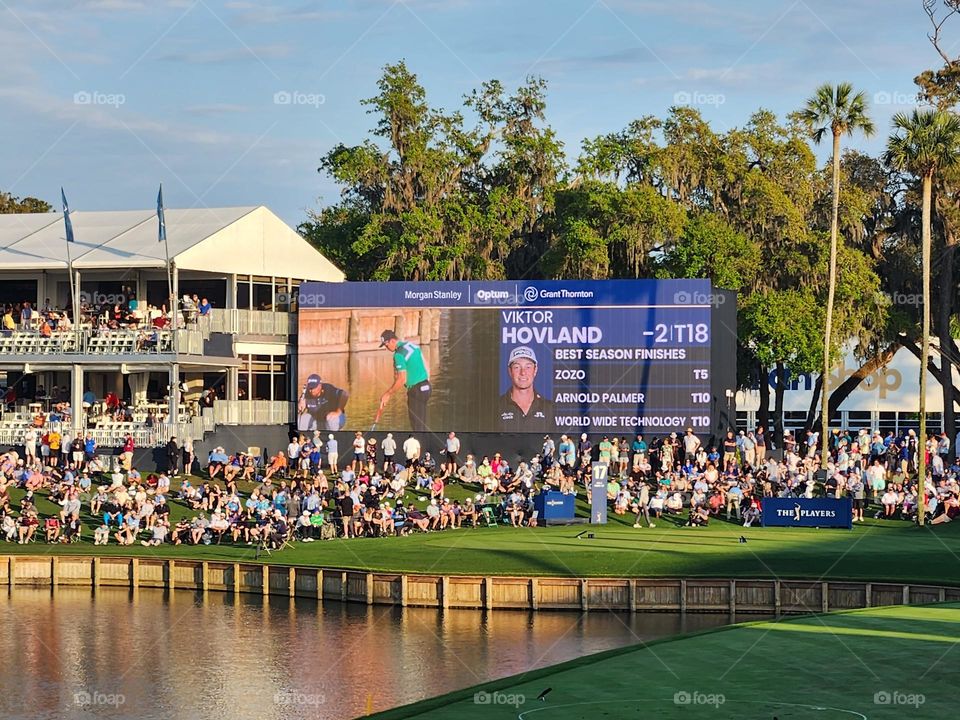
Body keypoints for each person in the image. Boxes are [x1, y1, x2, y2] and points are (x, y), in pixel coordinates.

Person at [378, 330, 431, 432]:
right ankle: (428, 446)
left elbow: (402, 379)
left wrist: (388, 394)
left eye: (387, 345)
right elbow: (427, 366)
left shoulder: (398, 354)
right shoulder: (413, 346)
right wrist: (426, 383)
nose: (386, 348)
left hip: (416, 390)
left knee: (417, 426)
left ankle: (423, 447)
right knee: (422, 423)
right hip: (427, 387)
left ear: (393, 341)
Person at [497, 345, 553, 432]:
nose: (523, 372)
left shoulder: (550, 408)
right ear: (510, 371)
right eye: (517, 367)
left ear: (535, 370)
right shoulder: (496, 407)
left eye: (528, 367)